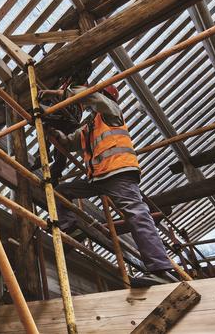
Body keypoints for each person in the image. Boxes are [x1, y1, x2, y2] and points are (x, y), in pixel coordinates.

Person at [41, 83, 174, 281]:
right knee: (61, 191)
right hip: (99, 178)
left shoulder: (111, 111)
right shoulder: (90, 127)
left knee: (137, 214)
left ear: (105, 96)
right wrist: (52, 131)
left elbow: (90, 96)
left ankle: (160, 269)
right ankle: (70, 227)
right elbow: (68, 142)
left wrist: (58, 93)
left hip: (119, 173)